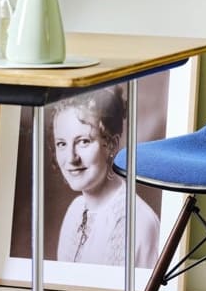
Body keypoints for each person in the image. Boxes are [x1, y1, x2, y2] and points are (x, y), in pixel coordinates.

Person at [51, 86, 160, 267]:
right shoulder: (74, 211)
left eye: (83, 141)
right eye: (61, 144)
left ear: (112, 145)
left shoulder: (138, 222)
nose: (71, 158)